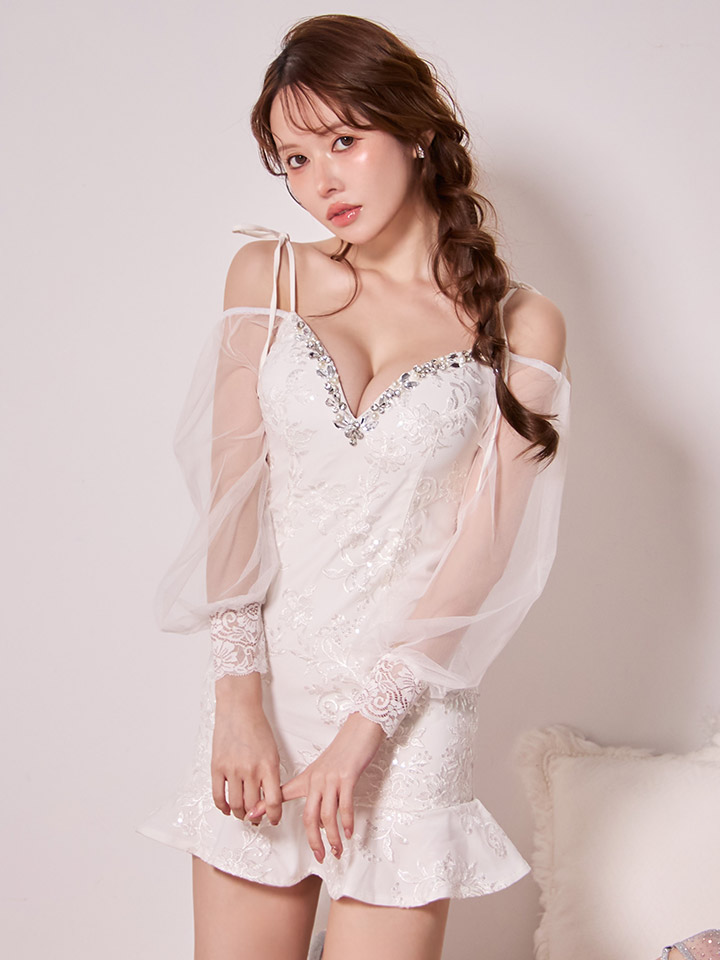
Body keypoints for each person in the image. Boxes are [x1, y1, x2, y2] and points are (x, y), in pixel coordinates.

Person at [136, 13, 571, 960]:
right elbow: (233, 499)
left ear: (416, 133)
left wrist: (366, 728)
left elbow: (482, 557)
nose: (321, 182)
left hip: (407, 716)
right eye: (294, 159)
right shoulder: (266, 276)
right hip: (268, 700)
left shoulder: (522, 324)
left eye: (344, 141)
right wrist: (238, 700)